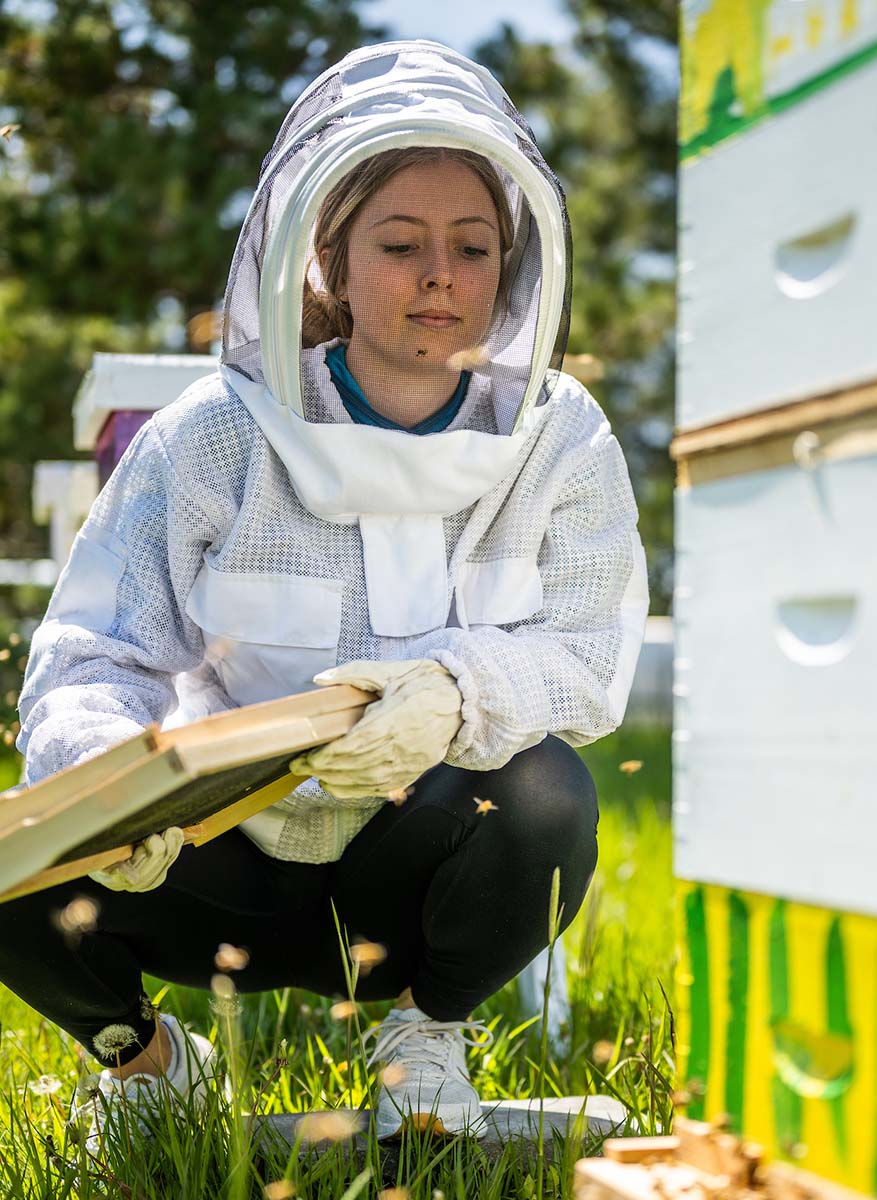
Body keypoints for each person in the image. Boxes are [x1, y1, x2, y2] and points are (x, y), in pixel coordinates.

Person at [0, 40, 649, 1149]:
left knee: (543, 798)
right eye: (400, 244)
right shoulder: (212, 436)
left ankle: (421, 1033)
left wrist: (457, 695)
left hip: (411, 877)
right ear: (326, 261)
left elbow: (589, 652)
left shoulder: (562, 438)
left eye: (473, 247)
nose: (440, 276)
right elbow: (91, 650)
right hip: (221, 867)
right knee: (15, 867)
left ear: (512, 270)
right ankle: (150, 1063)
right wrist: (105, 778)